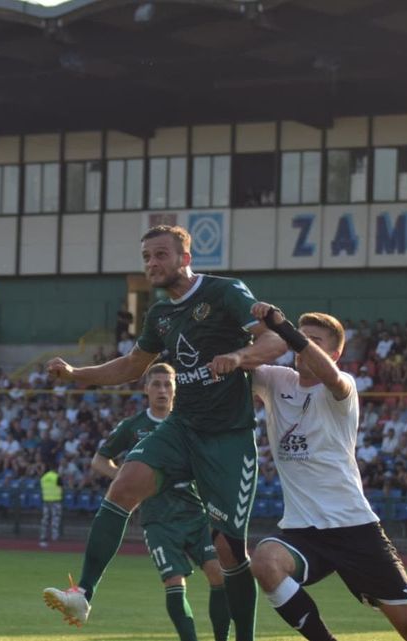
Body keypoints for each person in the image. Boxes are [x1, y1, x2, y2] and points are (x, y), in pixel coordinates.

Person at [42, 225, 286, 640]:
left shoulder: (225, 292)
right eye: (146, 258)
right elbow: (132, 366)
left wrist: (239, 355)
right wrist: (75, 373)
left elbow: (277, 340)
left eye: (160, 255)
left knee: (229, 552)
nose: (152, 264)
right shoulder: (159, 314)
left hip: (228, 438)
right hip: (182, 427)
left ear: (185, 259)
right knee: (124, 484)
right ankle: (83, 593)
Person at [249, 304, 407, 641]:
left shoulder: (342, 386)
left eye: (314, 340)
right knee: (265, 562)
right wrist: (256, 328)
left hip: (354, 526)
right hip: (303, 529)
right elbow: (239, 360)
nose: (301, 345)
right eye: (301, 336)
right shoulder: (276, 380)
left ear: (336, 352)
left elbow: (330, 376)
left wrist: (287, 331)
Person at [91, 362, 230, 641]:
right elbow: (99, 460)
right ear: (146, 389)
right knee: (174, 582)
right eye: (156, 384)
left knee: (219, 575)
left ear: (176, 388)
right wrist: (130, 482)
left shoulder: (190, 423)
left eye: (168, 384)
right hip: (158, 519)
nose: (162, 390)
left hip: (195, 513)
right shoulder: (133, 426)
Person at [39, 463, 62, 548]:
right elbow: (61, 487)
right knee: (55, 519)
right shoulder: (57, 477)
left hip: (46, 501)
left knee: (45, 519)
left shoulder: (43, 477)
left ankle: (43, 536)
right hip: (55, 501)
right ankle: (54, 537)